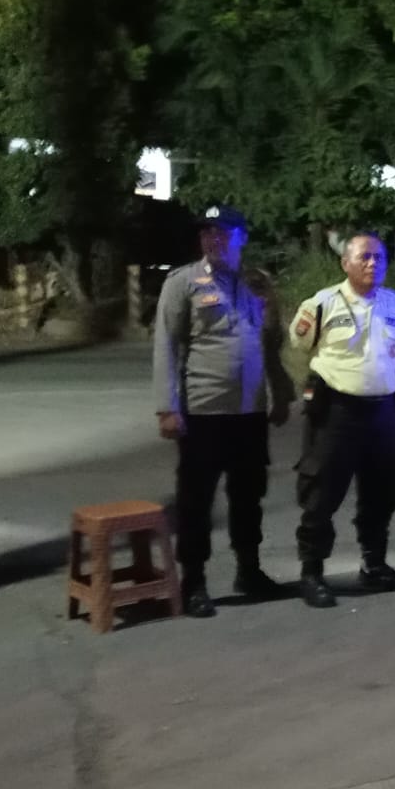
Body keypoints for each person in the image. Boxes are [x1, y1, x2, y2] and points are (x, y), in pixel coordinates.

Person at [152, 204, 294, 617]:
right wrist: (167, 407)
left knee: (249, 495)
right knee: (196, 500)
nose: (212, 239)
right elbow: (166, 345)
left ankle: (249, 570)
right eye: (206, 233)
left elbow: (271, 343)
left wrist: (280, 393)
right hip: (204, 411)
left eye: (222, 233)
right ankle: (194, 582)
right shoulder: (183, 283)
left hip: (249, 411)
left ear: (241, 237)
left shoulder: (256, 283)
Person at [285, 232, 395, 608]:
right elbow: (296, 351)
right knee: (322, 493)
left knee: (382, 491)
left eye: (380, 257)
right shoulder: (322, 304)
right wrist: (311, 388)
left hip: (382, 410)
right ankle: (312, 573)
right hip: (336, 412)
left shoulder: (394, 303)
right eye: (365, 257)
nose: (373, 263)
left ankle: (374, 565)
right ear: (345, 263)